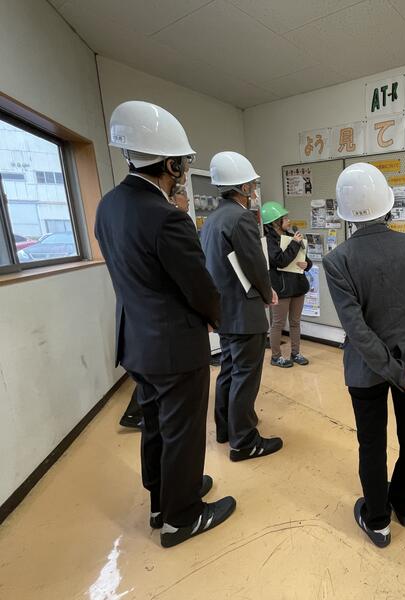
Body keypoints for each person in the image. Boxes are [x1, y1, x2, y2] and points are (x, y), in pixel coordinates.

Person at [96, 101, 235, 548]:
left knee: (156, 423)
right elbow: (199, 286)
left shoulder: (107, 206)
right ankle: (182, 518)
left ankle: (162, 501)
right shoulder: (166, 217)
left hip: (137, 342)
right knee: (183, 430)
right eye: (182, 164)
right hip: (175, 346)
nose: (183, 172)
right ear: (171, 164)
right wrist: (215, 318)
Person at [323, 163, 405, 548]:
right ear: (388, 205)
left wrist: (396, 372)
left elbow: (357, 331)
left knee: (371, 443)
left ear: (347, 214)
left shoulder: (338, 260)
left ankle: (378, 522)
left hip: (366, 370)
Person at [200, 151, 283, 462]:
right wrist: (267, 292)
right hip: (245, 312)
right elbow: (255, 264)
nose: (254, 190)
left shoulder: (212, 220)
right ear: (244, 187)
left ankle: (226, 428)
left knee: (229, 370)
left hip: (224, 311)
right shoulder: (241, 218)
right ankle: (244, 441)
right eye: (252, 185)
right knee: (246, 375)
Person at [118, 185, 192, 431]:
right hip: (163, 323)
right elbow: (188, 278)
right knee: (159, 387)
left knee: (151, 383)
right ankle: (134, 414)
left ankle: (138, 415)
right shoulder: (168, 221)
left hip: (140, 323)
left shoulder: (119, 213)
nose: (188, 205)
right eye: (185, 200)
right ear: (174, 199)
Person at [261, 201, 312, 369]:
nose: (289, 221)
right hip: (281, 289)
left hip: (298, 286)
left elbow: (304, 258)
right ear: (275, 222)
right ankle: (276, 357)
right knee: (278, 323)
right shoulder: (268, 241)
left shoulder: (291, 236)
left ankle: (295, 353)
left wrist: (307, 264)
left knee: (295, 322)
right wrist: (295, 243)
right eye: (285, 218)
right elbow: (280, 261)